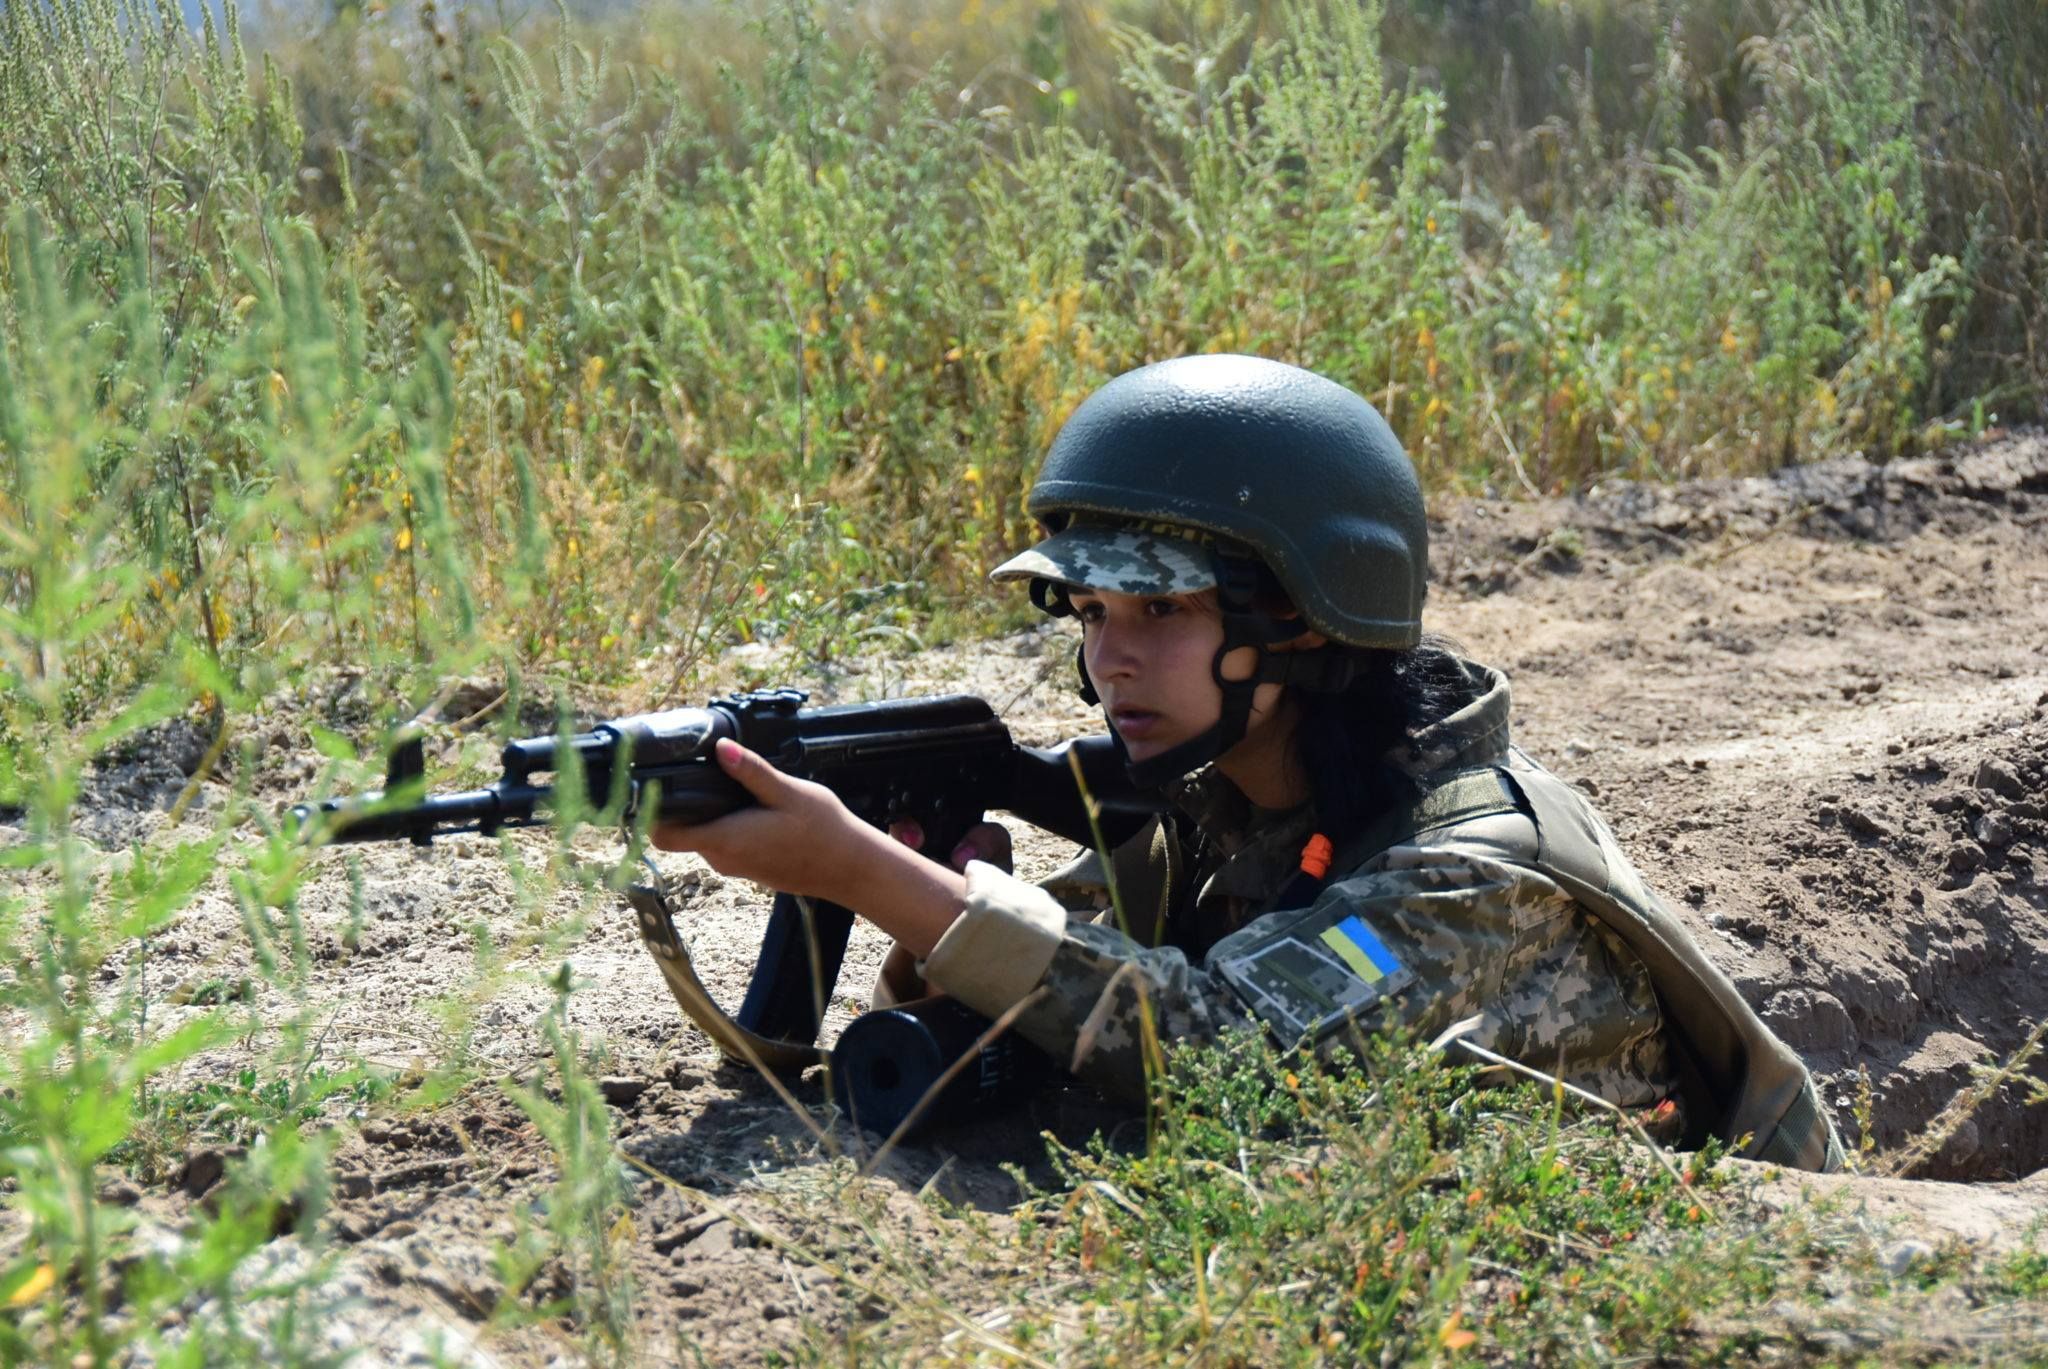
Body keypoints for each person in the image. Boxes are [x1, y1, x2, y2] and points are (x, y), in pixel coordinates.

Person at [652, 354, 1842, 1171]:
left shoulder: (1471, 873)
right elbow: (1052, 992)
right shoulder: (1226, 801)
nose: (1109, 660)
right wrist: (931, 915)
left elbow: (1219, 1044)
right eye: (1084, 610)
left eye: (1158, 614)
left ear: (1305, 621)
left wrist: (857, 867)